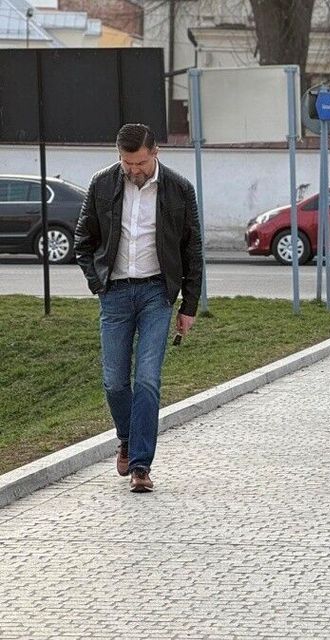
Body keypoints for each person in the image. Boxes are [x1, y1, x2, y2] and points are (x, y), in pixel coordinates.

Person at [74, 123, 203, 493]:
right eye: (127, 163)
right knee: (114, 380)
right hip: (114, 293)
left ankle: (141, 466)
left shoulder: (179, 189)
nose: (134, 170)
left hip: (155, 294)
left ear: (155, 152)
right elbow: (84, 239)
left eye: (141, 162)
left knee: (147, 379)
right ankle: (127, 438)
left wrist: (188, 305)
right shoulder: (102, 184)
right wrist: (97, 282)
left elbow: (192, 251)